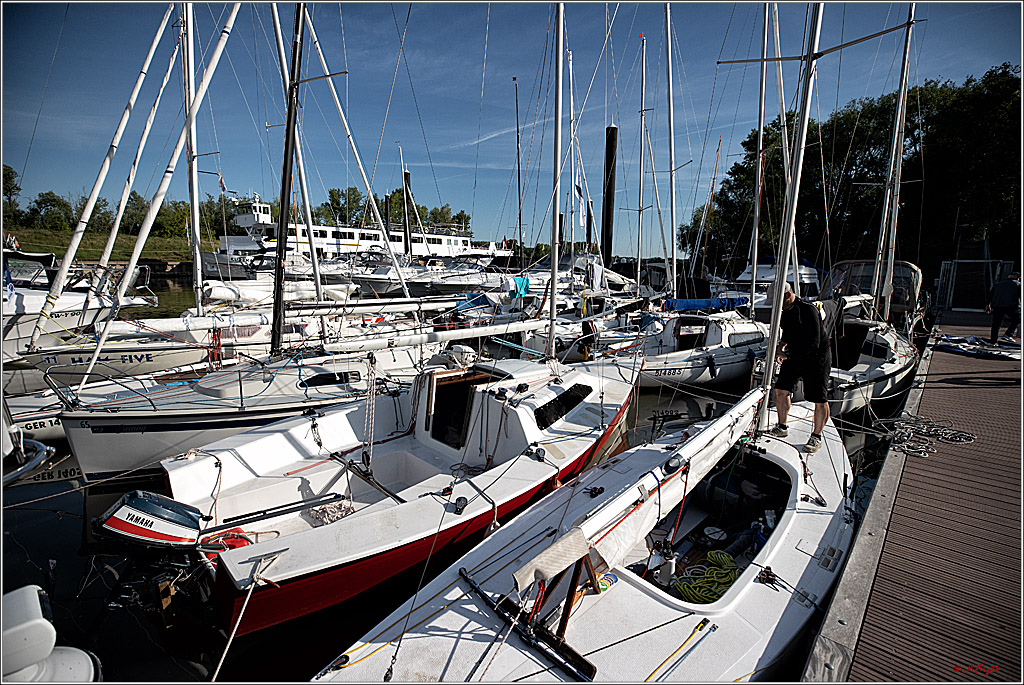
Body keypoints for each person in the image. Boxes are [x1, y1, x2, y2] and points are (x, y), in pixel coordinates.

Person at [765, 281, 831, 453]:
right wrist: (780, 348)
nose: (776, 305)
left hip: (817, 357)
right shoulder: (785, 312)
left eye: (778, 300)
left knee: (819, 398)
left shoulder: (808, 310)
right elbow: (787, 333)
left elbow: (814, 342)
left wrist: (789, 355)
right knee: (781, 389)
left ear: (788, 295)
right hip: (795, 354)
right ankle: (782, 426)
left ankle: (816, 436)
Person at [986, 271, 1020, 344]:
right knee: (1018, 319)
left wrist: (988, 305)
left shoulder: (998, 285)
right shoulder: (1018, 285)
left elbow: (990, 295)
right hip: (1011, 306)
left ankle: (993, 341)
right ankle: (1008, 334)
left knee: (996, 324)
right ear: (1018, 278)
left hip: (997, 306)